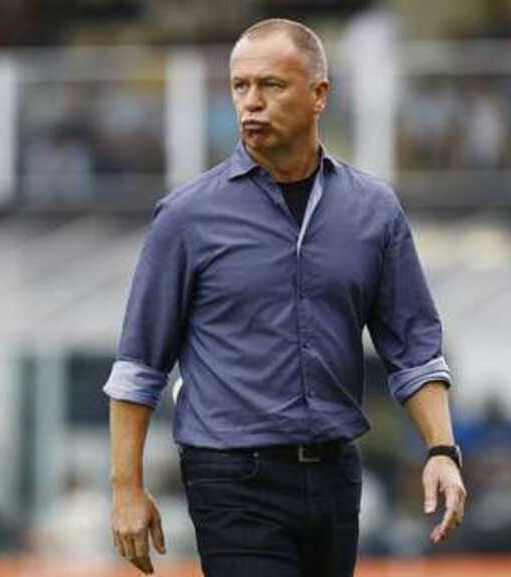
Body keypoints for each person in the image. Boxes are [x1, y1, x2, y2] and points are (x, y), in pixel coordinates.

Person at [104, 18, 466, 577]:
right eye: (239, 86)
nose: (250, 102)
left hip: (336, 476)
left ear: (319, 94)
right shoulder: (186, 217)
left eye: (271, 85)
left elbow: (414, 351)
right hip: (231, 480)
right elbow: (139, 365)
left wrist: (442, 450)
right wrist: (126, 488)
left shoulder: (373, 211)